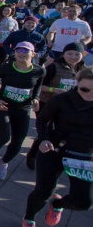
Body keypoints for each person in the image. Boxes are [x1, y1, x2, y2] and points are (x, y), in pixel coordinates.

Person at [21, 66, 93, 227]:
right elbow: (42, 120)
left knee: (84, 202)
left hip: (83, 156)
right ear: (77, 83)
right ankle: (29, 219)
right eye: (85, 89)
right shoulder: (62, 99)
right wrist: (44, 139)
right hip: (55, 150)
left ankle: (57, 204)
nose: (90, 94)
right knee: (43, 193)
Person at [0, 41, 46, 179]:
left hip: (23, 108)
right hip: (3, 106)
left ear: (33, 54)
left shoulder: (39, 71)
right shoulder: (5, 68)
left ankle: (3, 162)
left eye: (25, 51)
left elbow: (37, 87)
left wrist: (35, 99)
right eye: (18, 50)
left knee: (18, 141)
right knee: (4, 136)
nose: (21, 53)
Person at [26, 41, 86, 170]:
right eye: (70, 53)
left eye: (77, 54)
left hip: (68, 106)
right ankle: (32, 154)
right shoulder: (53, 67)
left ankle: (52, 153)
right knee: (46, 130)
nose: (73, 57)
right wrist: (54, 90)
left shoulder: (84, 70)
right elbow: (39, 86)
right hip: (47, 103)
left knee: (59, 131)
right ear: (63, 54)